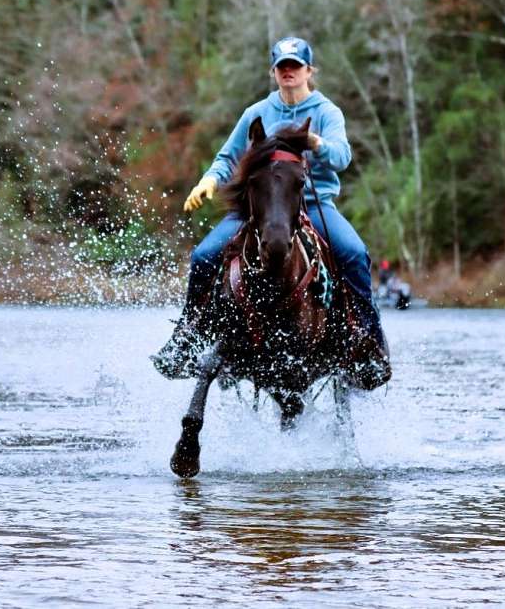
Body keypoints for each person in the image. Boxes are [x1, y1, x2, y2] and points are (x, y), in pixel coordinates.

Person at [153, 36, 388, 379]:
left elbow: (342, 157)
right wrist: (208, 181)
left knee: (354, 253)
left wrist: (316, 143)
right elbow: (227, 157)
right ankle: (187, 337)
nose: (288, 72)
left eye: (295, 66)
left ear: (309, 70)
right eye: (282, 67)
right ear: (274, 72)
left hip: (314, 204)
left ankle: (368, 341)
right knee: (204, 255)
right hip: (259, 208)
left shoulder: (326, 112)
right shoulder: (257, 113)